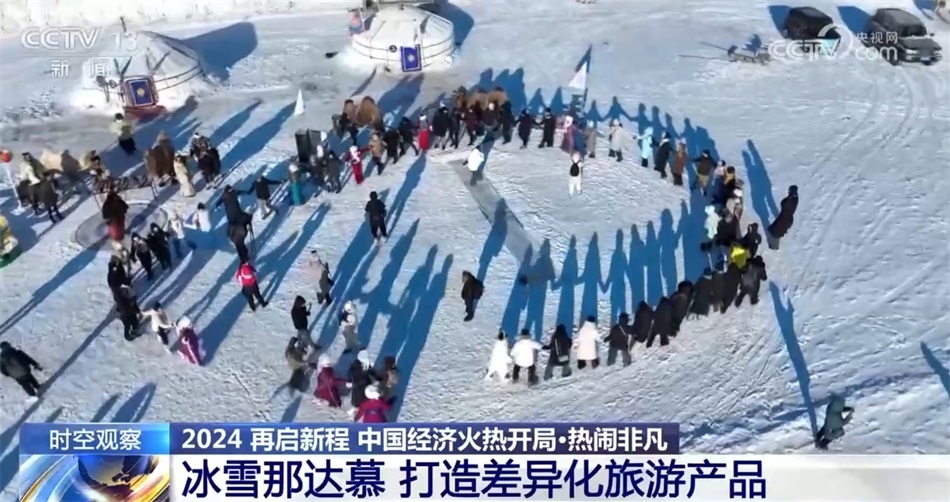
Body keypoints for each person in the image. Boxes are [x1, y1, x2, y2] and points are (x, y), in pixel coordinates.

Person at [768, 185, 799, 250]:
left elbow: (784, 204)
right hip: (787, 219)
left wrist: (787, 199)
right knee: (777, 230)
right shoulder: (795, 198)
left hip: (784, 220)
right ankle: (775, 244)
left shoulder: (791, 201)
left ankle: (774, 246)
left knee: (776, 232)